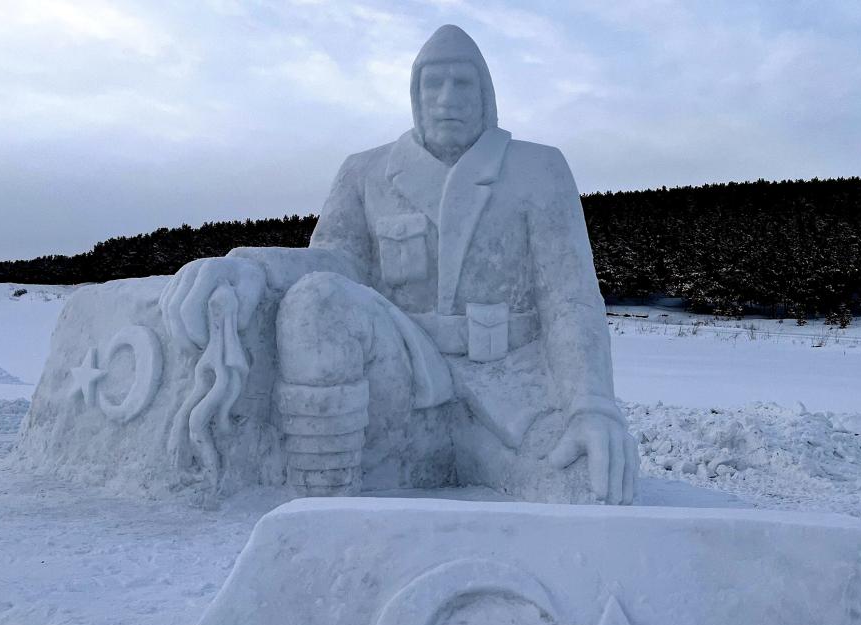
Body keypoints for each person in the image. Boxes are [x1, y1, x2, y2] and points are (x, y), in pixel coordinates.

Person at [161, 25, 636, 505]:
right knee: (318, 296)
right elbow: (335, 263)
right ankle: (323, 510)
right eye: (434, 83)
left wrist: (591, 405)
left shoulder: (538, 168)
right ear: (416, 93)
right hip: (405, 385)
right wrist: (254, 266)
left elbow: (568, 296)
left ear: (486, 93)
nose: (447, 97)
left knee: (592, 485)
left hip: (511, 389)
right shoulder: (365, 172)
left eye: (462, 83)